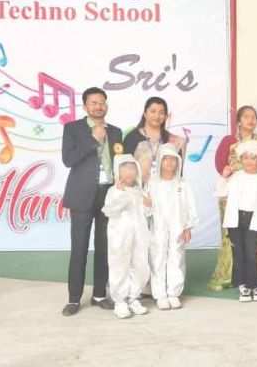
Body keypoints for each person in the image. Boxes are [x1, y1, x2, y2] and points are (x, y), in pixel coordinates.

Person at [61, 87, 122, 316]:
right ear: (85, 106)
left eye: (102, 102)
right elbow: (68, 160)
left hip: (109, 195)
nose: (98, 106)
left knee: (104, 248)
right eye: (94, 102)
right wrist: (92, 140)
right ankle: (74, 299)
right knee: (79, 249)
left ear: (106, 105)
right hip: (82, 195)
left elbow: (120, 161)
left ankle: (99, 295)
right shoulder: (72, 129)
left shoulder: (115, 131)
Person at [210, 105, 257, 291]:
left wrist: (251, 172)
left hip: (255, 197)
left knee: (254, 238)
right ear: (239, 121)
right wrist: (234, 174)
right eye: (246, 116)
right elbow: (220, 166)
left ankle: (256, 275)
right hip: (233, 196)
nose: (250, 120)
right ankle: (232, 274)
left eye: (253, 117)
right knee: (233, 238)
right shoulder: (229, 141)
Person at [216, 140, 257, 302]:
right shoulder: (236, 176)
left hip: (253, 219)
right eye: (245, 158)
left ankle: (256, 285)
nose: (249, 161)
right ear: (241, 159)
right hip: (235, 219)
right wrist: (224, 177)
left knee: (251, 253)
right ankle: (243, 285)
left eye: (253, 158)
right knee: (238, 253)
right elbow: (220, 192)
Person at [146, 144, 198, 310]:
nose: (169, 162)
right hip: (157, 227)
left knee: (177, 257)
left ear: (178, 162)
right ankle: (160, 294)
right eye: (166, 158)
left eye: (173, 159)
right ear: (160, 160)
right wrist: (147, 206)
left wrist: (187, 226)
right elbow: (147, 208)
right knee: (157, 258)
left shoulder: (182, 184)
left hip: (178, 227)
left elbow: (189, 206)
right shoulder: (152, 183)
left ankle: (174, 293)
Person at [101, 154, 151, 319]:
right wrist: (120, 193)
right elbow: (109, 211)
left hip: (140, 234)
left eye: (132, 169)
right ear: (118, 172)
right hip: (120, 235)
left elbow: (147, 213)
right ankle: (120, 301)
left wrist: (148, 205)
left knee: (141, 265)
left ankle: (133, 297)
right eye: (125, 169)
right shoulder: (113, 191)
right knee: (119, 266)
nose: (129, 172)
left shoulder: (139, 191)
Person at [123, 97, 186, 183]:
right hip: (138, 189)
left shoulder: (173, 140)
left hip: (165, 188)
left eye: (161, 113)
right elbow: (124, 169)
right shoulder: (132, 137)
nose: (157, 116)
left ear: (166, 116)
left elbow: (178, 172)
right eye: (153, 111)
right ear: (145, 114)